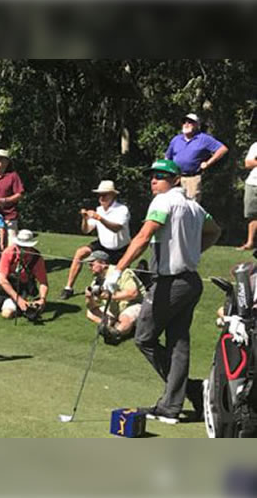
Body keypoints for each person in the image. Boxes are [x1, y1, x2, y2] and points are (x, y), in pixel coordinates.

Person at [103, 159, 222, 424]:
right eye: (153, 176)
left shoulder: (163, 202)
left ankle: (186, 390)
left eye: (161, 176)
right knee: (178, 343)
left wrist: (117, 270)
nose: (154, 180)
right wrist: (193, 250)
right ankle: (173, 405)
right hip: (190, 283)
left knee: (144, 337)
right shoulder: (194, 207)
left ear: (175, 179)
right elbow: (215, 232)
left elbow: (143, 237)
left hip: (170, 284)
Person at [59, 180, 132, 300]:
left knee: (119, 279)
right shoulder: (99, 209)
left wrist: (100, 218)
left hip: (121, 248)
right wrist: (84, 219)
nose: (101, 197)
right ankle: (68, 288)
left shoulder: (122, 209)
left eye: (105, 194)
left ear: (113, 195)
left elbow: (116, 228)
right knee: (80, 252)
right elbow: (86, 230)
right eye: (100, 194)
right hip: (103, 244)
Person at [0, 229, 47, 319]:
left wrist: (42, 299)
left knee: (7, 314)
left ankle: (11, 306)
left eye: (25, 247)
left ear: (30, 247)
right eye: (19, 246)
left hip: (19, 288)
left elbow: (43, 282)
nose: (21, 249)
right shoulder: (8, 252)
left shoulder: (36, 258)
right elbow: (2, 280)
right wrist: (19, 300)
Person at [81, 250, 144, 343]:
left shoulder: (123, 272)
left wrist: (108, 296)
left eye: (91, 264)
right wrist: (89, 298)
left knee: (125, 317)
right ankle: (113, 327)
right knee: (90, 313)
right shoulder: (96, 281)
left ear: (103, 263)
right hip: (114, 308)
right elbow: (92, 306)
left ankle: (116, 334)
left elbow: (132, 294)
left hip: (134, 304)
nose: (90, 268)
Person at [164, 112, 228, 202]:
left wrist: (208, 163)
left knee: (191, 206)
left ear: (197, 125)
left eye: (190, 122)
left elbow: (222, 149)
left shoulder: (204, 138)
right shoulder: (176, 139)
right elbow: (167, 158)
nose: (186, 124)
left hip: (192, 179)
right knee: (173, 204)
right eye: (184, 122)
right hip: (175, 178)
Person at [240, 141, 257, 250]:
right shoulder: (255, 145)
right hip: (253, 183)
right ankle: (250, 243)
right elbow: (248, 163)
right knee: (252, 215)